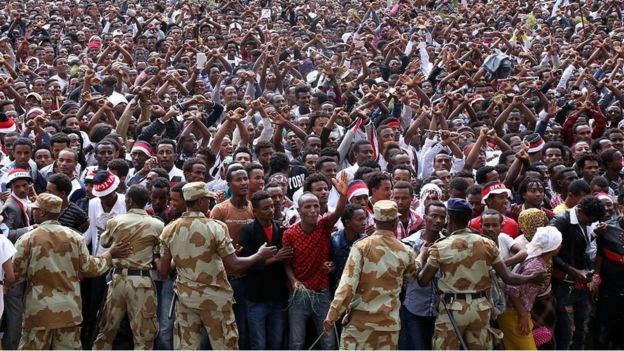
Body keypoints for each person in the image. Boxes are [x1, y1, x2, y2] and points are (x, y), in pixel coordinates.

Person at [159, 182, 277, 350]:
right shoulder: (216, 227)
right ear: (200, 201)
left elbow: (164, 272)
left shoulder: (169, 229)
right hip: (215, 301)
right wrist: (259, 255)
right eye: (207, 199)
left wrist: (183, 259)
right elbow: (235, 265)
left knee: (186, 347)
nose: (210, 202)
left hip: (186, 300)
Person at [418, 198, 547, 350]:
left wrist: (421, 256)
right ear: (470, 219)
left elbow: (423, 281)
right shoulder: (488, 244)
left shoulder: (440, 247)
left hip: (452, 309)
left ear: (449, 218)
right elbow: (509, 278)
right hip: (481, 308)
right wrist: (533, 277)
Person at [12, 193, 130, 349]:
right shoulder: (75, 237)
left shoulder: (28, 239)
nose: (32, 212)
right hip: (68, 311)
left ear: (42, 212)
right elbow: (90, 269)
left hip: (39, 312)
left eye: (34, 210)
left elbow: (16, 275)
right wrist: (109, 255)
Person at [323, 200, 425, 349]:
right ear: (396, 221)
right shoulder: (405, 250)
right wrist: (421, 256)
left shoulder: (361, 247)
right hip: (388, 325)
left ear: (375, 221)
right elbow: (411, 276)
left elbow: (347, 286)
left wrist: (333, 315)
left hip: (360, 325)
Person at [282, 172, 348, 350]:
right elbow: (286, 263)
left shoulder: (323, 225)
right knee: (296, 340)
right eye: (307, 207)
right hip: (299, 294)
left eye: (316, 206)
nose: (312, 210)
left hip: (321, 292)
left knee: (328, 339)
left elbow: (339, 212)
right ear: (299, 210)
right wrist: (293, 281)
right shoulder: (289, 234)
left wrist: (343, 194)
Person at [93, 185, 164, 350]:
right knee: (143, 335)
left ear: (129, 201)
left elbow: (104, 242)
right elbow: (159, 250)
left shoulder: (115, 221)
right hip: (142, 281)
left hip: (117, 280)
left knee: (106, 331)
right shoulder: (157, 225)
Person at [550, 196, 606, 349]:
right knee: (567, 331)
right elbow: (551, 254)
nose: (590, 222)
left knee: (582, 329)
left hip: (581, 284)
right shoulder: (560, 222)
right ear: (580, 211)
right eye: (589, 219)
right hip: (564, 285)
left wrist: (594, 233)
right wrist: (573, 271)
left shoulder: (586, 221)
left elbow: (581, 244)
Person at [239, 191, 292, 350]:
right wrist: (274, 258)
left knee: (276, 341)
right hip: (256, 296)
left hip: (277, 295)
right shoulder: (247, 231)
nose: (271, 210)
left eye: (272, 206)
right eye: (265, 208)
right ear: (255, 211)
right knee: (258, 342)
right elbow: (247, 263)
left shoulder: (280, 228)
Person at [498, 226, 562, 349]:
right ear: (555, 248)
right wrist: (522, 315)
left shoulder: (534, 257)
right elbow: (512, 290)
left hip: (514, 312)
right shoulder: (537, 266)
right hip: (514, 313)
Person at [400, 200, 447, 350]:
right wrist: (423, 257)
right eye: (434, 216)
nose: (438, 220)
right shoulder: (408, 244)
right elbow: (406, 275)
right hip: (415, 307)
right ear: (425, 217)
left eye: (442, 217)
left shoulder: (448, 243)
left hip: (441, 309)